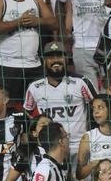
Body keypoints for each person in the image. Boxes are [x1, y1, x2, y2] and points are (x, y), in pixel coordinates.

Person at [24, 41, 100, 169]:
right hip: (51, 149)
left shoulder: (81, 82)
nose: (56, 60)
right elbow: (27, 111)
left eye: (59, 56)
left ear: (66, 59)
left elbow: (99, 105)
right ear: (44, 61)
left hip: (79, 147)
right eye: (51, 57)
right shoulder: (34, 87)